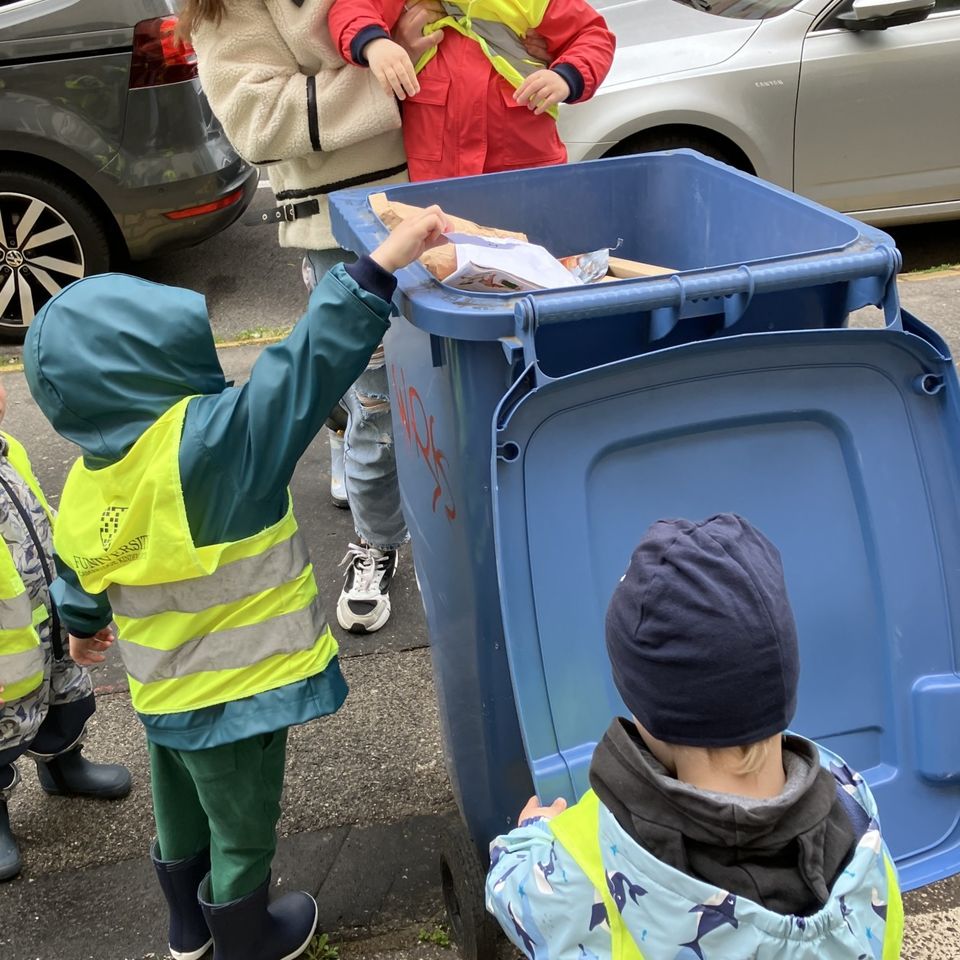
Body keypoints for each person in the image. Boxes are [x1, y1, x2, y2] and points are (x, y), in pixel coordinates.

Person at [23, 206, 451, 960]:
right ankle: (247, 937)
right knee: (243, 825)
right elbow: (306, 364)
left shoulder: (89, 488)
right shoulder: (215, 445)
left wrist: (84, 629)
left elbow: (76, 580)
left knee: (180, 806)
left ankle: (188, 929)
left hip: (164, 694)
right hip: (242, 692)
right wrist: (382, 262)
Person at [485, 514, 904, 960]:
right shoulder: (856, 816)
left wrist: (531, 833)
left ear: (650, 710)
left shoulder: (587, 864)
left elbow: (516, 898)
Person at [185, 0, 438, 634]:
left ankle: (342, 419)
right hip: (342, 223)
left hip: (444, 189)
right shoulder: (223, 7)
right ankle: (377, 540)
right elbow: (257, 119)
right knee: (381, 408)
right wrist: (388, 64)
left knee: (438, 378)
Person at [0, 380, 131, 881]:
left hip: (48, 624)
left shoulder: (11, 449)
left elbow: (44, 519)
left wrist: (80, 591)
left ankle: (62, 765)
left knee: (66, 699)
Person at [327, 0, 616, 182]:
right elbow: (352, 7)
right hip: (438, 187)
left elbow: (592, 35)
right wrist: (374, 44)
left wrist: (567, 77)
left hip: (526, 180)